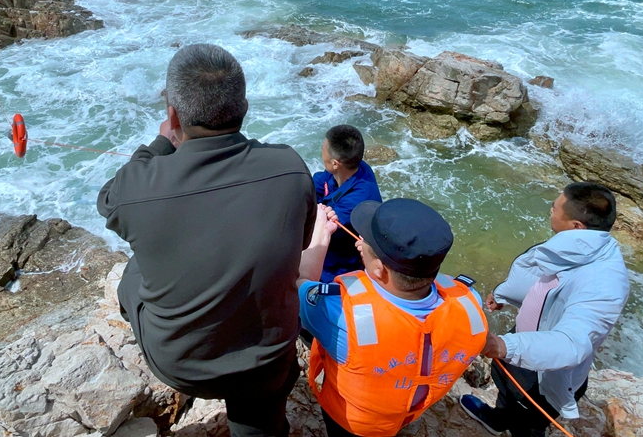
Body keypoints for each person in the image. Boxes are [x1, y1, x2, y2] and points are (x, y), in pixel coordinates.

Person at [97, 44, 317, 437]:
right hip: (265, 362)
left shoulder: (138, 185)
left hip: (180, 364)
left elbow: (110, 200)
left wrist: (163, 142)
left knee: (133, 272)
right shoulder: (290, 168)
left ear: (173, 115)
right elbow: (298, 245)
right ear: (244, 107)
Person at [298, 198, 488, 437]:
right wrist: (372, 257)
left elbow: (299, 285)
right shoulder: (471, 302)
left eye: (366, 241)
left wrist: (319, 238)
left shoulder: (341, 312)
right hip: (408, 410)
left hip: (352, 422)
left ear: (379, 269)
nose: (361, 240)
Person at [460, 182, 631, 437]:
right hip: (527, 339)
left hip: (544, 371)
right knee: (506, 387)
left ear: (576, 226)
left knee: (528, 423)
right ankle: (498, 420)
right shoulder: (580, 247)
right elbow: (544, 281)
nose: (550, 211)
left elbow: (570, 344)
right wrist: (503, 294)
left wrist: (504, 346)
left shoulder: (605, 282)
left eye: (555, 208)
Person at [312, 125, 382, 282]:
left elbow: (321, 228)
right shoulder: (354, 166)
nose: (322, 155)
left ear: (336, 163)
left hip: (339, 266)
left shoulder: (358, 201)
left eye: (323, 152)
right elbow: (320, 181)